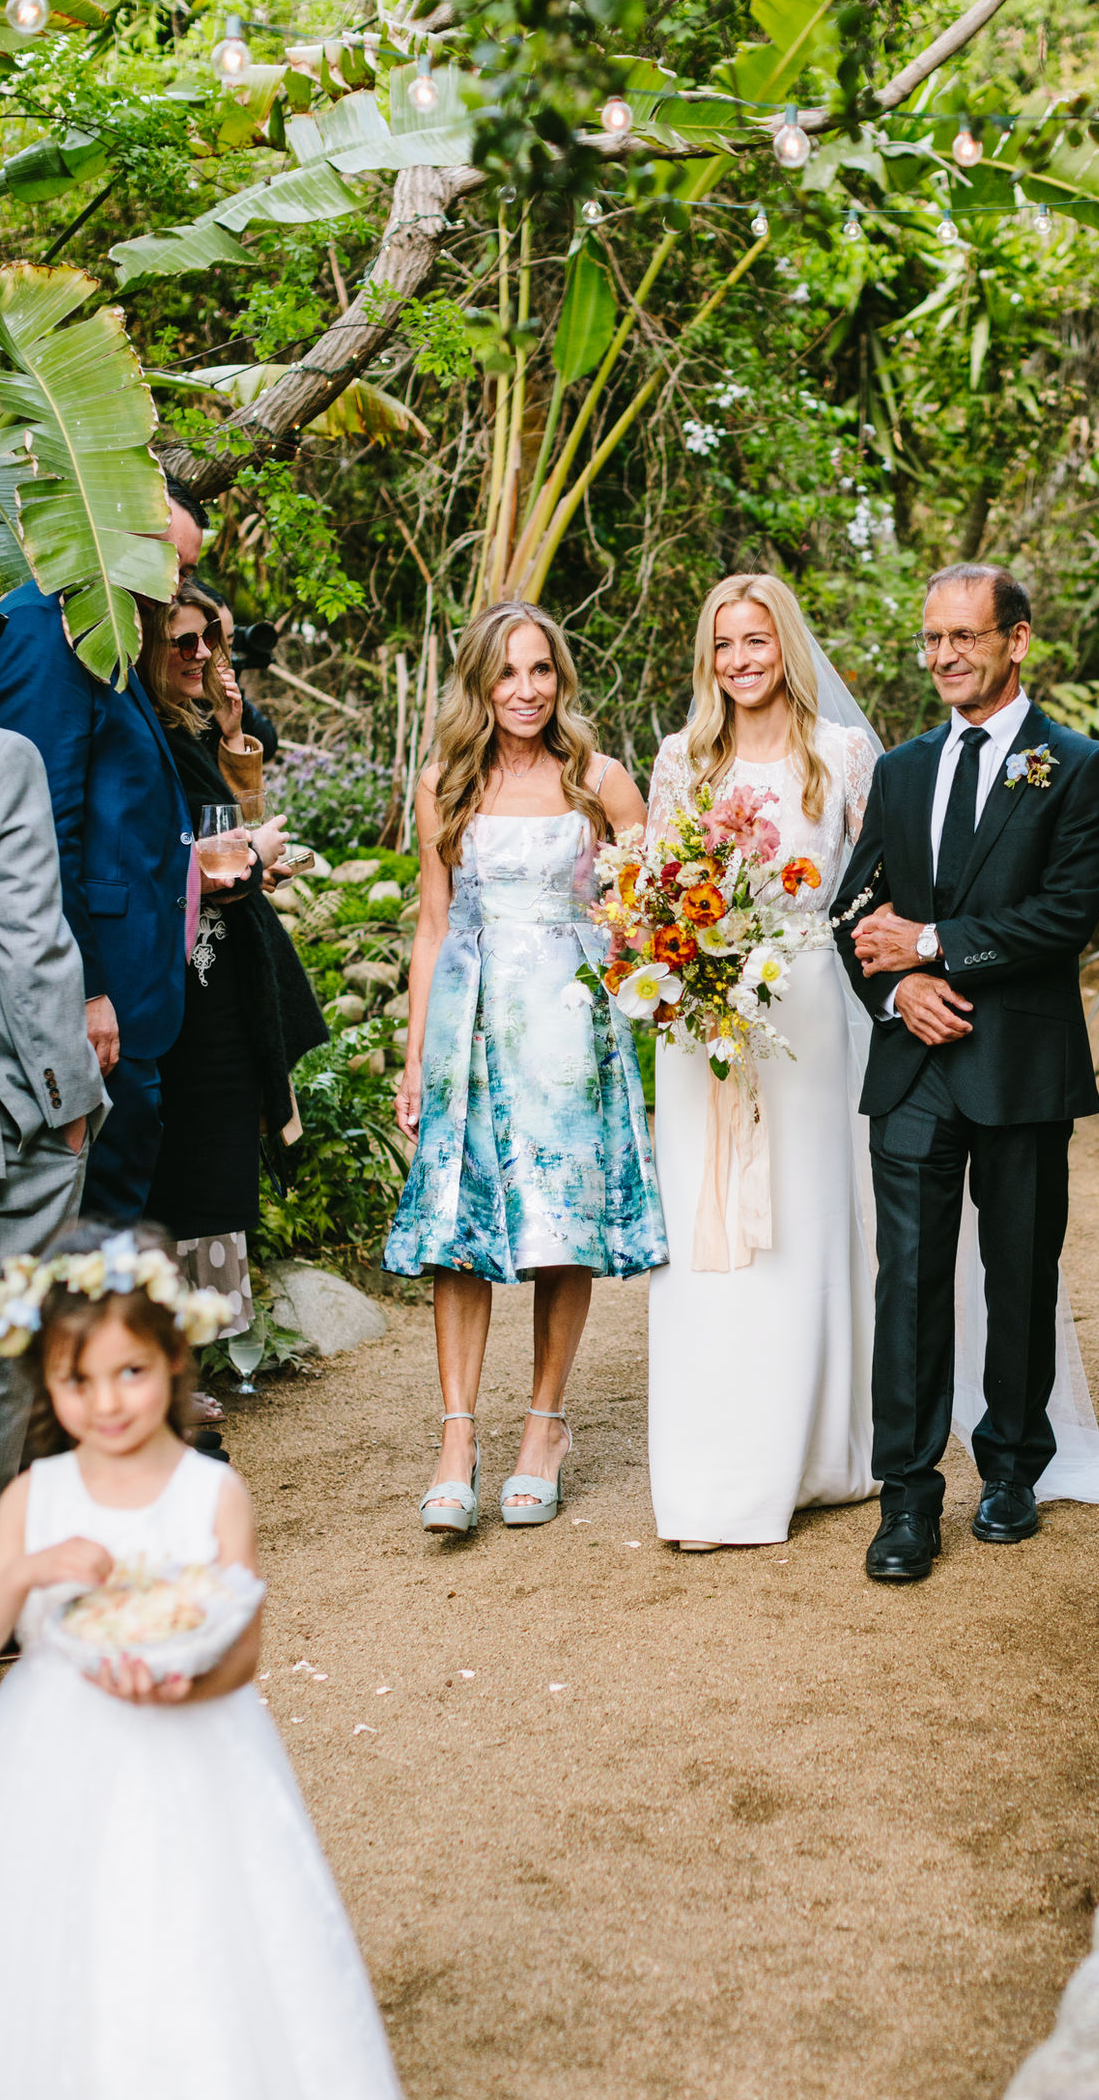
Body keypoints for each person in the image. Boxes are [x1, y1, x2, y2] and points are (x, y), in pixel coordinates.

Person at [0, 1222, 404, 2098]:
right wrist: (28, 1570)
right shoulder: (34, 1497)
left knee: (200, 1934)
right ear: (47, 1379)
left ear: (175, 1357)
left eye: (129, 1372)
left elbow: (242, 1645)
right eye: (78, 1380)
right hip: (55, 1755)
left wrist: (187, 1682)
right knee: (65, 1940)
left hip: (199, 1748)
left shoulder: (212, 1492)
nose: (107, 1403)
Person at [835, 562, 1099, 1581]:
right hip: (912, 1069)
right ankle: (908, 1500)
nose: (945, 656)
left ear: (1018, 641)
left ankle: (1011, 1471)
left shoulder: (1080, 766)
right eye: (932, 640)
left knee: (1018, 1277)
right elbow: (848, 911)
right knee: (907, 1287)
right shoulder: (902, 768)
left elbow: (1064, 917)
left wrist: (931, 949)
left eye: (965, 636)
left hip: (1021, 1067)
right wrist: (893, 991)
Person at [384, 601, 665, 1534]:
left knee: (559, 1227)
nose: (527, 690)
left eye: (541, 670)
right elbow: (432, 926)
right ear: (480, 683)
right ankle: (457, 1441)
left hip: (566, 1032)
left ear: (560, 676)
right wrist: (415, 1054)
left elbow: (658, 914)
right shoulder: (443, 786)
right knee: (457, 1236)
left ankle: (545, 1426)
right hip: (468, 1026)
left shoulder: (600, 781)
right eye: (508, 673)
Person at [644, 574, 878, 1548]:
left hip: (809, 1015)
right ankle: (715, 1472)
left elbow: (875, 893)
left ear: (786, 645)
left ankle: (821, 1457)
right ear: (708, 659)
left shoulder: (844, 756)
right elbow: (655, 895)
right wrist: (688, 962)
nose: (743, 661)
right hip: (700, 1027)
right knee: (709, 1241)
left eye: (758, 641)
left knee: (808, 1226)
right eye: (724, 645)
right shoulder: (680, 761)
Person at [0, 472, 208, 1224]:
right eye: (170, 563)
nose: (176, 587)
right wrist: (79, 993)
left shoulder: (114, 628)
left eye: (185, 571)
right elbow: (36, 834)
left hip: (135, 991)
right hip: (92, 1001)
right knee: (86, 1240)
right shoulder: (49, 631)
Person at [138, 583, 326, 1323]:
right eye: (183, 641)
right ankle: (170, 1345)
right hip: (185, 969)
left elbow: (227, 823)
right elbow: (187, 848)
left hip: (219, 953)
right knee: (188, 1156)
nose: (202, 655)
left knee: (215, 1150)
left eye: (209, 641)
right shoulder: (147, 733)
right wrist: (247, 853)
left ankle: (197, 1345)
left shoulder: (190, 727)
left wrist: (230, 726)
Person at [0, 729, 108, 1502]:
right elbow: (26, 937)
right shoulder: (3, 758)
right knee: (3, 1356)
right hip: (4, 1121)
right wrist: (67, 1097)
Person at [194, 577, 280, 761]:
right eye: (213, 643)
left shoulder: (220, 699)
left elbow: (268, 744)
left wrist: (233, 711)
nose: (224, 657)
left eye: (230, 645)